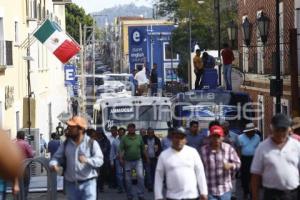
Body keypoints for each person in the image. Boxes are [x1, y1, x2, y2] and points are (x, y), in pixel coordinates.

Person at [50, 116, 103, 200]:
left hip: (88, 184)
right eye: (69, 126)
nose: (69, 129)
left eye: (72, 127)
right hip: (71, 185)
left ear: (80, 129)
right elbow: (55, 158)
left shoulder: (92, 143)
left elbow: (100, 160)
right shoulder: (66, 143)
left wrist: (87, 160)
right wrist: (53, 164)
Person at [251, 114, 300, 200]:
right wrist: (255, 197)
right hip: (271, 195)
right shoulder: (262, 147)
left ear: (289, 129)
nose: (280, 133)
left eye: (283, 130)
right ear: (272, 128)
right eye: (277, 130)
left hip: (293, 194)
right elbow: (255, 176)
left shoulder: (296, 146)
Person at [155, 127, 208, 200]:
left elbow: (200, 172)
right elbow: (159, 176)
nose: (179, 140)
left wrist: (203, 192)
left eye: (182, 138)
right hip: (172, 197)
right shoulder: (164, 155)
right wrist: (158, 196)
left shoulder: (193, 152)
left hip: (191, 196)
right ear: (172, 138)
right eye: (176, 137)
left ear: (185, 140)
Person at [200, 125, 241, 200]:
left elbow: (238, 163)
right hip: (209, 189)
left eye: (218, 136)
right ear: (210, 137)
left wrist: (231, 165)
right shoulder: (203, 150)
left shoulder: (228, 148)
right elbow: (199, 170)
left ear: (222, 137)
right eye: (214, 136)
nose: (216, 139)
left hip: (225, 189)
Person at [119, 123, 148, 200]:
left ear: (135, 129)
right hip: (127, 161)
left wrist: (147, 158)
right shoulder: (124, 138)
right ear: (128, 129)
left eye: (133, 128)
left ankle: (141, 195)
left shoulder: (139, 137)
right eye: (130, 128)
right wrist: (121, 159)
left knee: (141, 178)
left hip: (138, 161)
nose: (131, 129)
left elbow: (143, 149)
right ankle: (130, 196)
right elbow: (121, 149)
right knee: (128, 180)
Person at [238, 123, 260, 200]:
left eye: (253, 131)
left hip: (254, 159)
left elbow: (258, 149)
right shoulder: (240, 137)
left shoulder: (257, 137)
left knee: (253, 177)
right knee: (245, 177)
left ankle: (252, 193)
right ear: (246, 131)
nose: (252, 132)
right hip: (244, 159)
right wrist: (239, 161)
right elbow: (239, 149)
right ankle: (245, 192)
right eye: (250, 131)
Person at [15, 130, 35, 198]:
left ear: (17, 136)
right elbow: (31, 155)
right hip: (25, 166)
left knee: (17, 183)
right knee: (26, 183)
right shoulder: (25, 144)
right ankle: (24, 197)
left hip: (15, 167)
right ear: (23, 136)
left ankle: (17, 197)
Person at [143, 128, 161, 192]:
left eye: (151, 133)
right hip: (146, 158)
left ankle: (153, 185)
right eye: (149, 133)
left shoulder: (157, 139)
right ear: (147, 133)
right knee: (148, 173)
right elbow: (142, 149)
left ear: (153, 133)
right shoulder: (144, 139)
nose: (150, 134)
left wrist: (157, 156)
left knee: (154, 173)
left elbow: (159, 149)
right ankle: (150, 186)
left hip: (154, 159)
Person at [110, 126, 125, 193]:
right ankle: (120, 188)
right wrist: (111, 161)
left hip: (126, 160)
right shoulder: (115, 141)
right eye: (120, 132)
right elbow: (112, 152)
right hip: (117, 160)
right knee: (118, 175)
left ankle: (126, 188)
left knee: (126, 175)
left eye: (122, 132)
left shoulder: (127, 140)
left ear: (124, 133)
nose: (121, 133)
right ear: (118, 133)